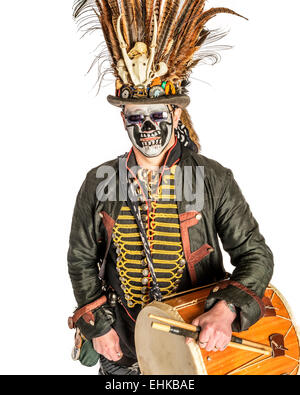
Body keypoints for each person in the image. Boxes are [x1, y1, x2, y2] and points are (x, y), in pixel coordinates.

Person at [68, 1, 274, 375]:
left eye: (157, 115)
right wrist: (98, 326)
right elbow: (82, 259)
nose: (146, 127)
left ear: (176, 115)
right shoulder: (99, 180)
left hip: (197, 347)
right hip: (123, 346)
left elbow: (255, 255)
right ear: (123, 119)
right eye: (136, 116)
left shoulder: (213, 178)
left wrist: (225, 310)